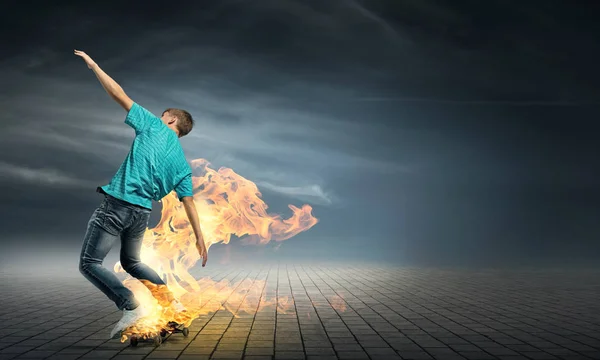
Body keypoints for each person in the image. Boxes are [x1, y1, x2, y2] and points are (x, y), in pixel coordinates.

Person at [73, 49, 208, 339]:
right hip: (141, 214)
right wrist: (200, 237)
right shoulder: (182, 165)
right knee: (132, 263)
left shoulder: (154, 126)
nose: (159, 117)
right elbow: (189, 203)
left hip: (118, 206)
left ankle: (131, 307)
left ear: (170, 120)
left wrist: (94, 65)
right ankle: (173, 307)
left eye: (163, 115)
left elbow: (119, 94)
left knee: (89, 263)